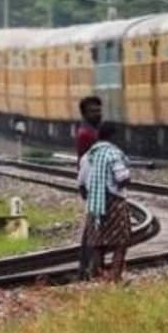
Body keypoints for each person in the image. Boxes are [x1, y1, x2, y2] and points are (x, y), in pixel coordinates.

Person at [79, 121, 132, 283]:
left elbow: (81, 184)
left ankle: (97, 275)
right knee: (121, 241)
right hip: (114, 201)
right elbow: (122, 178)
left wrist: (92, 199)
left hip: (94, 204)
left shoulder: (87, 156)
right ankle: (115, 277)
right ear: (113, 136)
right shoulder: (114, 154)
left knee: (97, 242)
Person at [75, 95, 103, 279]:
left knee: (94, 227)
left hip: (96, 184)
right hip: (94, 184)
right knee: (94, 228)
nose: (98, 114)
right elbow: (85, 161)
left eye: (99, 110)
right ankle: (88, 268)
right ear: (84, 113)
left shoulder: (91, 131)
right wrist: (84, 186)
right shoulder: (86, 134)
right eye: (93, 111)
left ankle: (88, 267)